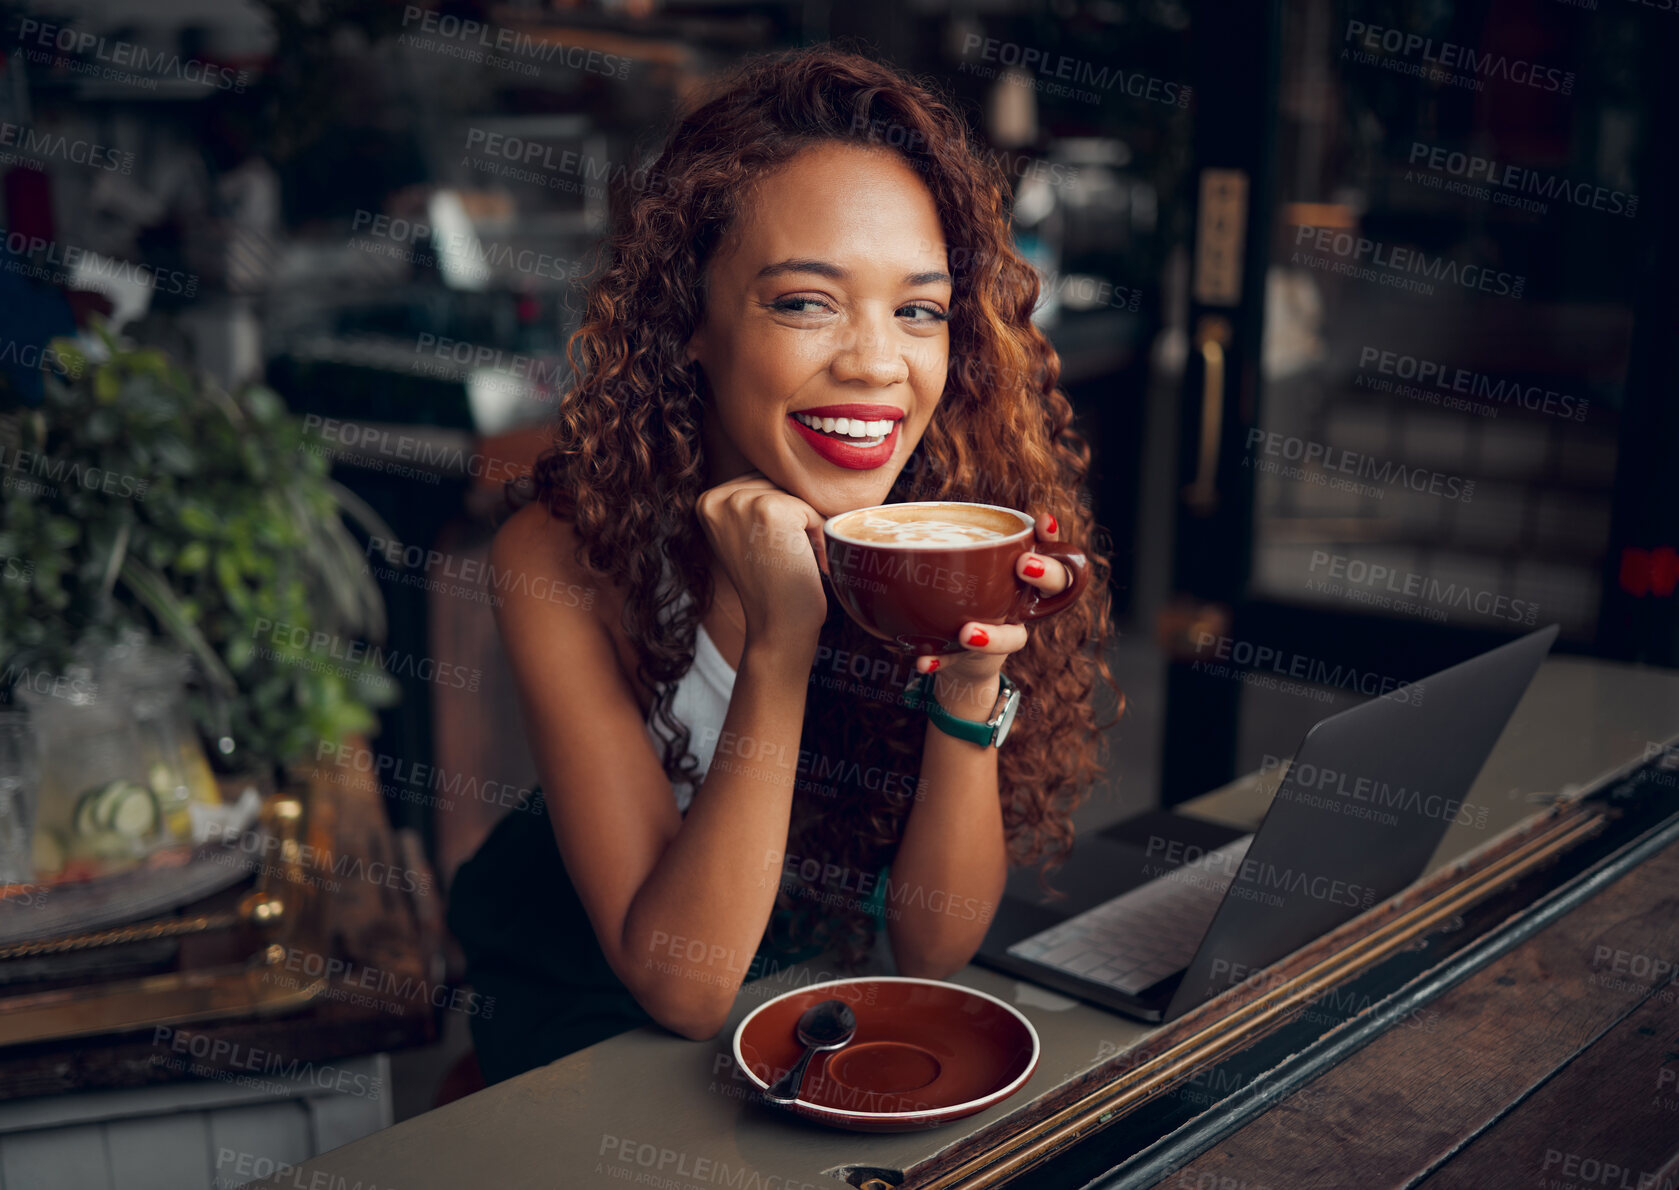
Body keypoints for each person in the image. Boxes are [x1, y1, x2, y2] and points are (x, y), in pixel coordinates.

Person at [446, 44, 1122, 1086]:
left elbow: (935, 949)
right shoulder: (562, 553)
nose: (875, 363)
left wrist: (969, 687)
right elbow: (680, 985)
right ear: (692, 325)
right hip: (593, 1020)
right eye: (806, 301)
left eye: (919, 309)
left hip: (810, 1010)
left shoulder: (937, 530)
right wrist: (780, 640)